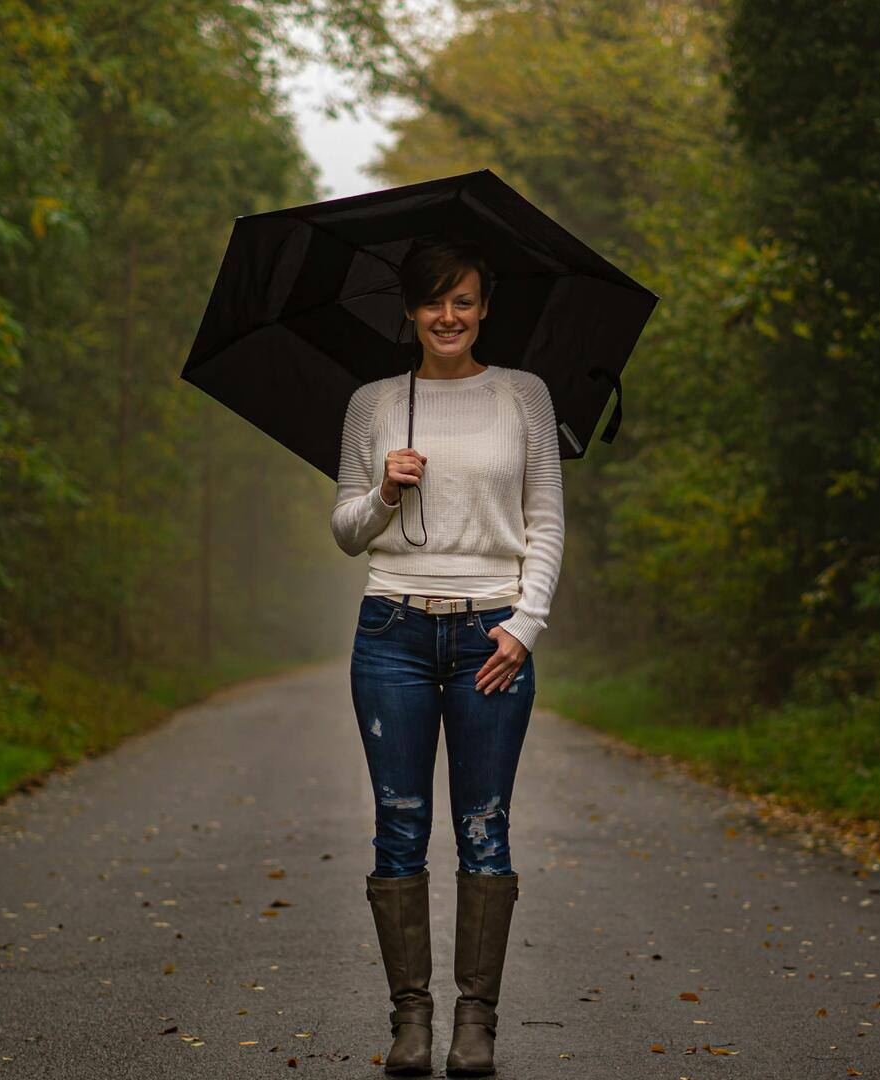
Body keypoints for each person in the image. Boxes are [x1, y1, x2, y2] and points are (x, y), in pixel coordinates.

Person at [328, 236, 565, 1077]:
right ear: (410, 311)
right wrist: (385, 492)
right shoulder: (374, 404)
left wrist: (524, 624)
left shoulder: (523, 397)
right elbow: (348, 532)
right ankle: (411, 1022)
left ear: (485, 307)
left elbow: (545, 521)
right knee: (399, 826)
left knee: (483, 826)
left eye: (463, 300)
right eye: (433, 301)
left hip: (490, 637)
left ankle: (475, 1022)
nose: (448, 316)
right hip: (391, 631)